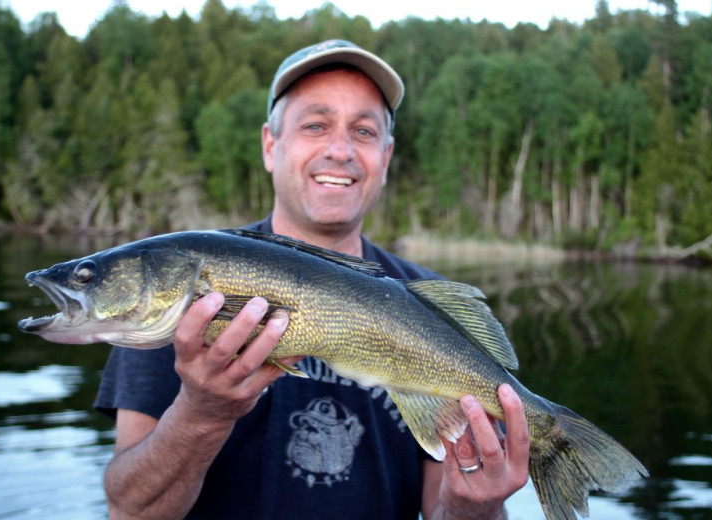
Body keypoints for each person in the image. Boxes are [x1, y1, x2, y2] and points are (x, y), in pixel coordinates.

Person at [95, 39, 530, 519]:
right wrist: (201, 413)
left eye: (363, 131)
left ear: (385, 159)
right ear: (270, 145)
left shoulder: (430, 306)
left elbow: (445, 512)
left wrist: (477, 507)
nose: (340, 150)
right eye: (315, 125)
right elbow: (130, 513)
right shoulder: (180, 287)